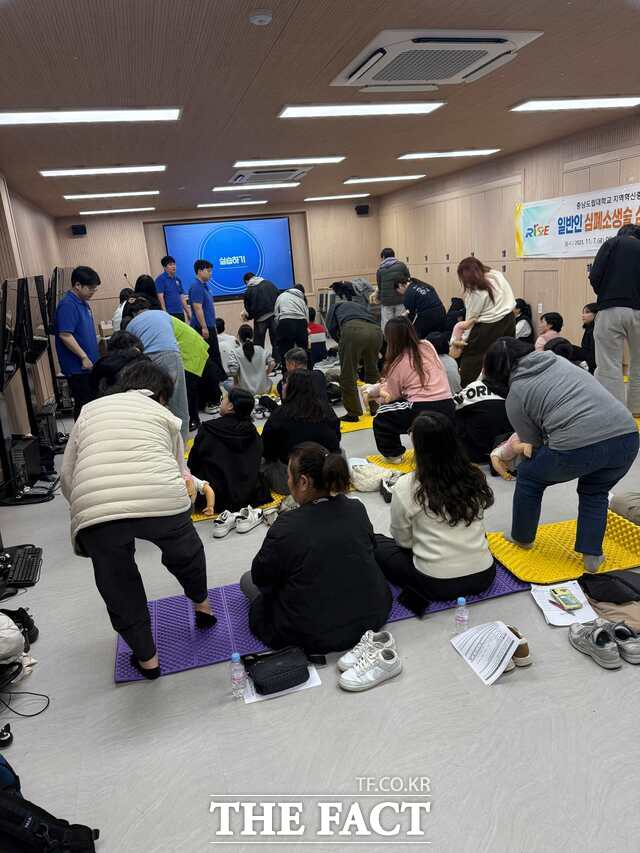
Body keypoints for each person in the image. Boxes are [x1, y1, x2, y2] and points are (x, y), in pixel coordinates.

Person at [61, 360, 217, 680]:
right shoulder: (163, 414)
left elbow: (67, 475)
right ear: (159, 394)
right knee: (186, 552)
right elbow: (178, 470)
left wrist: (86, 506)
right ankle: (203, 608)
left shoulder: (89, 410)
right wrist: (189, 500)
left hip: (95, 502)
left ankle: (148, 660)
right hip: (160, 496)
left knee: (118, 581)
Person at [483, 338, 639, 572]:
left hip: (576, 448)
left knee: (528, 475)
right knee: (595, 491)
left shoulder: (516, 394)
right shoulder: (559, 361)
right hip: (628, 438)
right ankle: (592, 556)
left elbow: (531, 443)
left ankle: (522, 537)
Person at [240, 442, 392, 654]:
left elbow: (262, 578)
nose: (288, 480)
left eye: (289, 475)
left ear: (303, 482)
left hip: (310, 632)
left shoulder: (287, 526)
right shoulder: (356, 508)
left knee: (247, 580)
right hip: (371, 615)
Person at [374, 412, 496, 603]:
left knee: (377, 543)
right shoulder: (474, 475)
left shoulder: (407, 485)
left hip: (435, 584)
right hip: (485, 576)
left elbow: (403, 541)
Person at [368, 318, 454, 462]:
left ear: (390, 339)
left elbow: (390, 396)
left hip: (421, 408)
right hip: (448, 405)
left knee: (382, 416)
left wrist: (373, 393)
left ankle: (393, 455)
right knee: (404, 404)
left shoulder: (397, 362)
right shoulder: (427, 346)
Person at [187, 388, 271, 514]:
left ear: (230, 406)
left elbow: (193, 463)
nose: (221, 402)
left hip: (214, 497)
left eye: (223, 399)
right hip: (247, 494)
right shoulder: (252, 432)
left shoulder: (208, 428)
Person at [261, 370, 341, 494]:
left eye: (285, 383)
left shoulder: (280, 415)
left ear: (292, 388)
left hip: (291, 482)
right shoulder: (325, 409)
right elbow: (336, 439)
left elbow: (266, 451)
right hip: (328, 478)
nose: (283, 386)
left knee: (261, 462)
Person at [590, 223, 640, 415]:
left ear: (621, 234)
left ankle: (615, 412)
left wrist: (605, 292)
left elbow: (595, 276)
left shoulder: (612, 244)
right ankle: (637, 408)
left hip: (610, 307)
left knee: (609, 363)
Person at [126, 297, 190, 440]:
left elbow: (133, 349)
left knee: (153, 402)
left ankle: (157, 439)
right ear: (147, 307)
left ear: (133, 313)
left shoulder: (131, 324)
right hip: (171, 355)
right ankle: (182, 442)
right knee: (179, 401)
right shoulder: (164, 315)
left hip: (148, 361)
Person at [453, 258, 516, 387]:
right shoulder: (497, 274)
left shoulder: (476, 291)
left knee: (473, 360)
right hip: (509, 320)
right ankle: (501, 387)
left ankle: (467, 389)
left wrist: (463, 341)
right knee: (503, 356)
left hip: (487, 327)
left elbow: (469, 321)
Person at [326, 291, 383, 422]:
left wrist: (341, 344)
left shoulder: (334, 307)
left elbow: (331, 328)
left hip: (352, 330)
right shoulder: (359, 306)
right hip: (376, 331)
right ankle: (375, 408)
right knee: (373, 371)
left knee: (348, 374)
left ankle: (353, 412)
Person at [54, 265, 101, 419]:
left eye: (95, 288)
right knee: (84, 407)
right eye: (91, 288)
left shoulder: (83, 302)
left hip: (89, 365)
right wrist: (83, 357)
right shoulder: (68, 304)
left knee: (92, 405)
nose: (93, 291)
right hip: (78, 367)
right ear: (77, 285)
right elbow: (65, 335)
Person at [189, 259, 225, 410]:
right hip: (202, 329)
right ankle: (211, 398)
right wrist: (204, 327)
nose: (210, 273)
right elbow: (197, 308)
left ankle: (216, 393)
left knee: (215, 359)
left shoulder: (205, 286)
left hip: (209, 327)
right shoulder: (196, 287)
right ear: (199, 271)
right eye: (208, 271)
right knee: (209, 362)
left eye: (211, 270)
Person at [454, 377, 513, 465]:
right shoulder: (519, 389)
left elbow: (451, 407)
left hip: (476, 456)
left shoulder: (475, 387)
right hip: (508, 454)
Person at [170, 315, 211, 432]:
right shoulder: (162, 318)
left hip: (190, 352)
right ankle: (194, 414)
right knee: (190, 388)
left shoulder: (157, 322)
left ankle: (194, 419)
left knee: (188, 389)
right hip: (191, 349)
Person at [90, 330, 146, 395]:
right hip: (143, 398)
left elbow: (93, 386)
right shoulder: (144, 359)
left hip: (110, 399)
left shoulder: (103, 364)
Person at [226, 324, 273, 396]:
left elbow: (233, 371)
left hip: (244, 393)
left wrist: (236, 382)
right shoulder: (260, 349)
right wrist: (266, 374)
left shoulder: (235, 352)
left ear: (239, 337)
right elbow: (272, 363)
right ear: (252, 336)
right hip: (263, 389)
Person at [241, 272, 280, 358]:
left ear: (247, 281)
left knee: (258, 344)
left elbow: (249, 309)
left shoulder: (249, 290)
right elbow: (279, 296)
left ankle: (260, 362)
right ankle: (277, 362)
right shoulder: (269, 284)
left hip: (260, 320)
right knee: (276, 342)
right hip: (274, 316)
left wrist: (247, 317)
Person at [274, 284, 309, 366]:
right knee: (303, 350)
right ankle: (307, 372)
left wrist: (280, 327)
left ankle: (286, 374)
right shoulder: (301, 299)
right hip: (301, 322)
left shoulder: (282, 296)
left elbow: (276, 315)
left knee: (285, 351)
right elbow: (306, 316)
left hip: (285, 322)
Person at [376, 248, 410, 329]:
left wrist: (379, 297)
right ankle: (402, 338)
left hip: (386, 301)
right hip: (401, 298)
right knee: (401, 321)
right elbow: (408, 279)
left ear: (383, 257)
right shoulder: (402, 265)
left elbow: (380, 286)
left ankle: (388, 340)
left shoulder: (380, 270)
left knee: (387, 323)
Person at [156, 255, 190, 322]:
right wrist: (164, 312)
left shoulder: (177, 280)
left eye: (174, 264)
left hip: (180, 312)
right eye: (170, 265)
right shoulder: (160, 279)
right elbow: (160, 297)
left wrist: (188, 311)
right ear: (164, 267)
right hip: (169, 313)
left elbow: (182, 297)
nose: (173, 266)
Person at [572, 303, 598, 374]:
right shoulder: (588, 329)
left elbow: (592, 353)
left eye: (587, 312)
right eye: (583, 313)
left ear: (596, 314)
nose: (583, 315)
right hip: (588, 360)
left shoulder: (595, 330)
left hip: (593, 365)